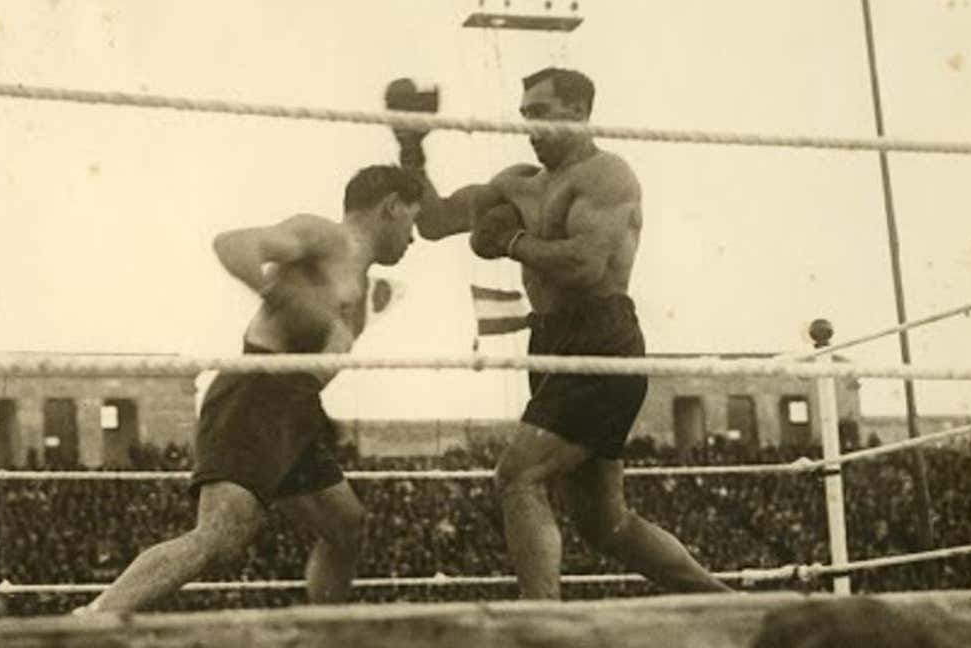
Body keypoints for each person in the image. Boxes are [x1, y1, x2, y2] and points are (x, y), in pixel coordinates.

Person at [390, 68, 732, 597]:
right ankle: (731, 606)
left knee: (517, 476)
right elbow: (433, 222)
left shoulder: (607, 176)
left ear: (579, 112)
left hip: (602, 341)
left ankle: (543, 624)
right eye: (525, 113)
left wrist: (512, 242)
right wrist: (411, 143)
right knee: (605, 524)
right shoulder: (516, 182)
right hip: (549, 344)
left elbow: (585, 265)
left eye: (542, 113)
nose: (530, 125)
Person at [76, 164, 423, 614]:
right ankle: (92, 620)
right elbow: (233, 244)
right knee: (219, 536)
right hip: (256, 395)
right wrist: (286, 300)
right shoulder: (326, 238)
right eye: (412, 221)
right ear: (391, 208)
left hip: (294, 408)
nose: (413, 238)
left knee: (346, 526)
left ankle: (325, 635)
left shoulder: (360, 277)